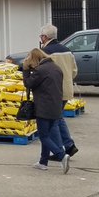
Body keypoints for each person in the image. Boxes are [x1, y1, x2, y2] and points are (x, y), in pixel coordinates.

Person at [22, 48, 70, 173]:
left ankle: (61, 155)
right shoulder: (56, 67)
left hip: (44, 107)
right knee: (47, 134)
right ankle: (43, 162)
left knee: (43, 136)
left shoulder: (41, 70)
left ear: (34, 59)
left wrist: (26, 70)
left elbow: (28, 84)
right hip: (56, 107)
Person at [39, 25, 79, 157]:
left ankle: (58, 151)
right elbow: (74, 71)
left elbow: (42, 71)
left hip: (53, 91)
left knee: (52, 122)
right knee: (58, 117)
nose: (41, 39)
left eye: (41, 36)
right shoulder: (67, 50)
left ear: (45, 37)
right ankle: (69, 145)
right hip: (67, 89)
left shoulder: (47, 51)